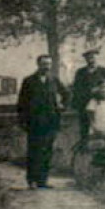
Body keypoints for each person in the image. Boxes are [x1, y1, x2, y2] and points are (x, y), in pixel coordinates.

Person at [17, 53, 68, 188]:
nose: (47, 67)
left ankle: (42, 181)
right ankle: (32, 181)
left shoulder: (54, 80)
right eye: (44, 64)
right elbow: (21, 103)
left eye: (49, 64)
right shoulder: (28, 81)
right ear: (38, 64)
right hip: (34, 122)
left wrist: (62, 105)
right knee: (34, 151)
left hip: (51, 122)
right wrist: (23, 122)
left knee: (47, 151)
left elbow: (66, 94)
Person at [70, 48, 105, 140]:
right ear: (86, 59)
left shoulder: (103, 71)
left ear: (97, 58)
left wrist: (100, 91)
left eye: (93, 57)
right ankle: (85, 147)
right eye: (88, 58)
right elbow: (76, 88)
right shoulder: (80, 72)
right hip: (84, 103)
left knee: (101, 125)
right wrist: (88, 92)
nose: (91, 60)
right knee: (85, 127)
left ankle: (102, 147)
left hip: (100, 104)